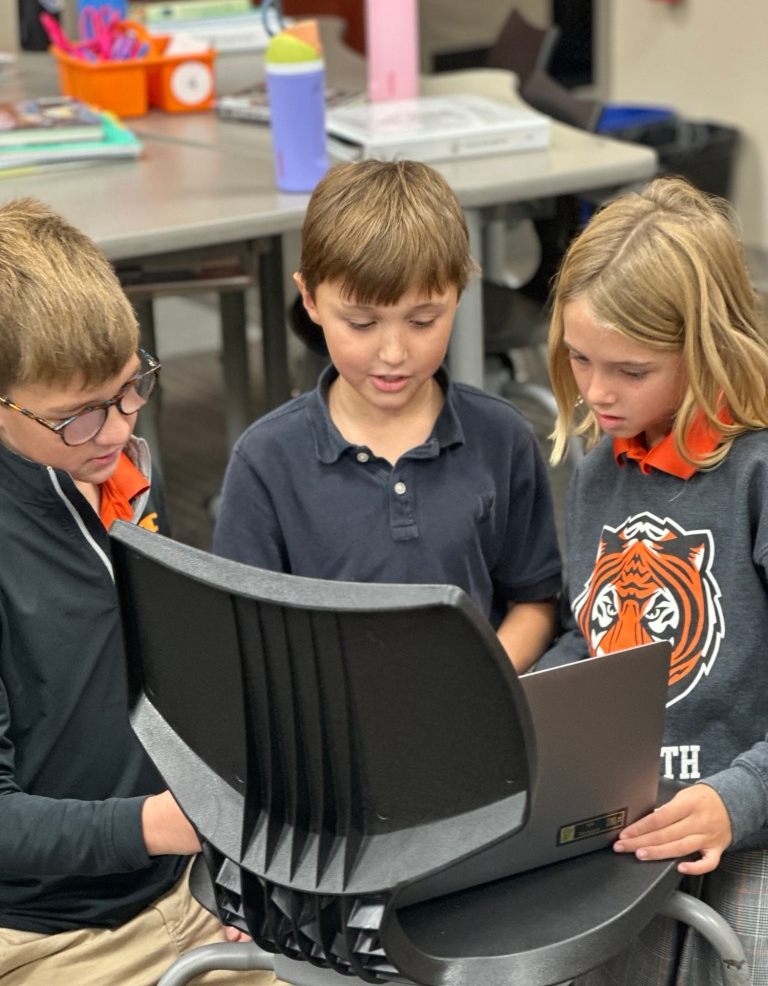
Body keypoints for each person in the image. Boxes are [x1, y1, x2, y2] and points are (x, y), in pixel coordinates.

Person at [0, 198, 274, 985]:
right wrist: (159, 825)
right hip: (47, 934)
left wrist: (227, 861)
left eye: (130, 387)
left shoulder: (116, 474)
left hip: (189, 885)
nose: (118, 430)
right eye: (76, 416)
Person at [542, 175, 768, 984]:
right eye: (578, 358)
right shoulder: (600, 467)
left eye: (630, 370)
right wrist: (527, 701)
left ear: (706, 350)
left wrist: (738, 799)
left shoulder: (756, 475)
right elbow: (592, 637)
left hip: (747, 808)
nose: (596, 391)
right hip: (619, 811)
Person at [213, 159, 561, 672]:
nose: (394, 353)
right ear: (309, 298)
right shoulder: (265, 459)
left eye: (423, 321)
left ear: (458, 295)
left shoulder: (502, 437)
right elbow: (245, 639)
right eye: (361, 323)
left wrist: (481, 684)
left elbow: (535, 601)